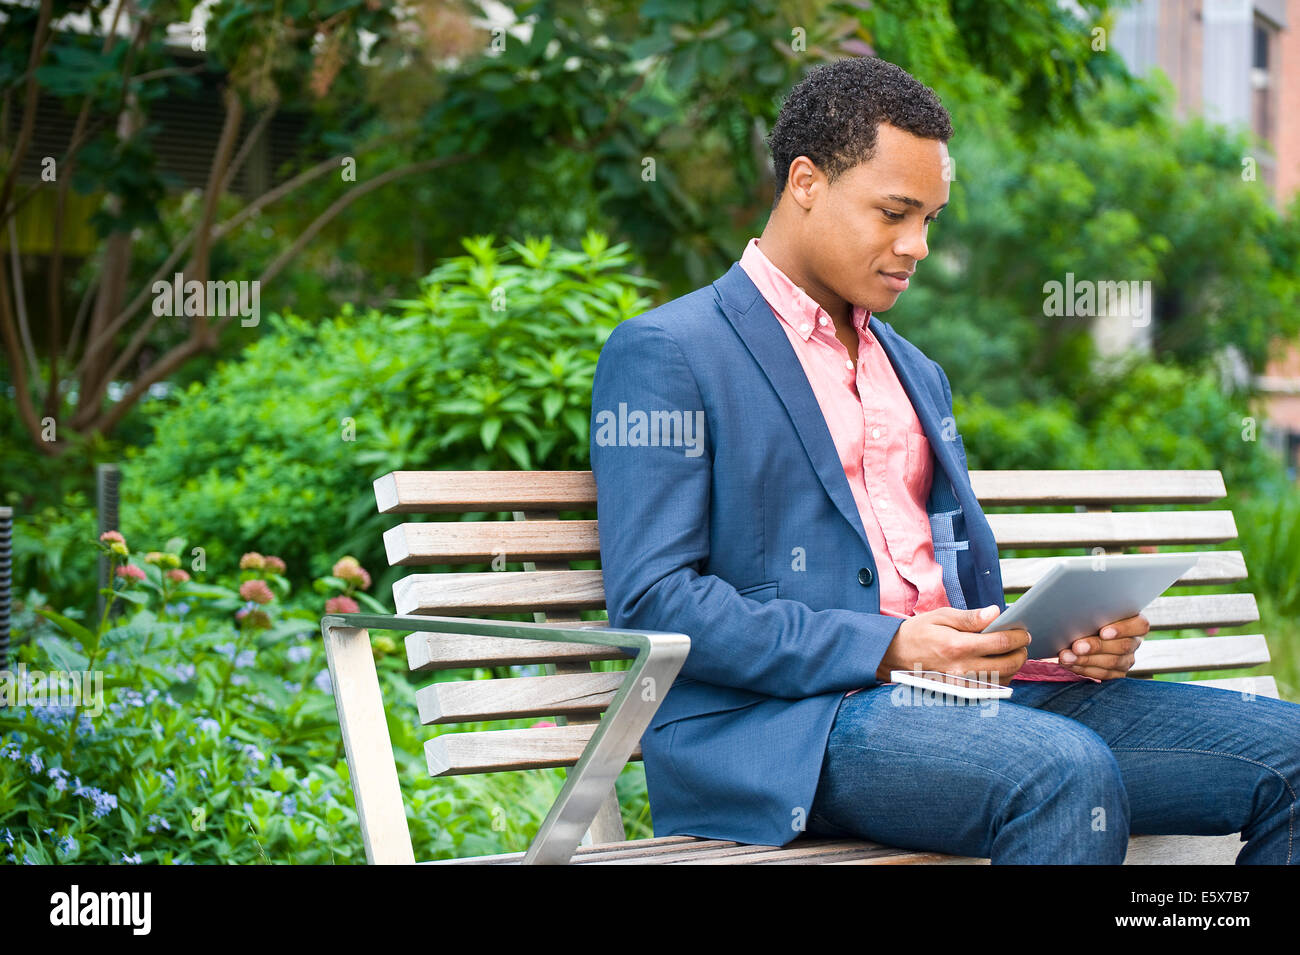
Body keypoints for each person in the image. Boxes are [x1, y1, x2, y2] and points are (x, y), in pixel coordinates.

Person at [589, 55, 1299, 864]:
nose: (917, 244)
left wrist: (1059, 641)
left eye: (931, 218)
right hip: (792, 727)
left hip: (980, 702)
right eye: (895, 212)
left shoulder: (915, 371)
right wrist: (889, 646)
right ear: (806, 181)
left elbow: (953, 592)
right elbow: (655, 601)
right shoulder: (669, 352)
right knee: (1060, 772)